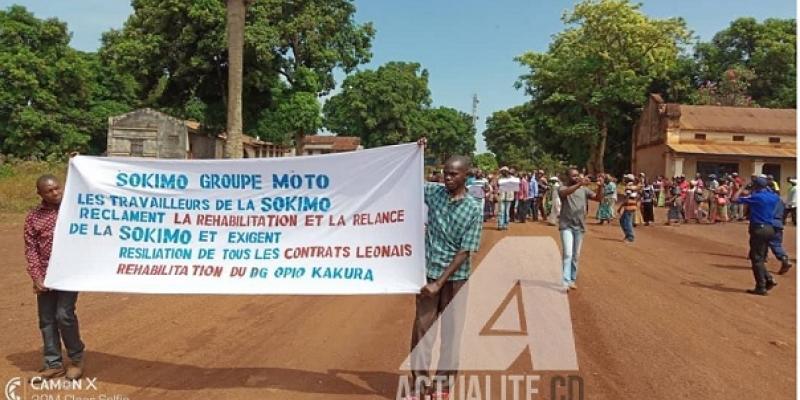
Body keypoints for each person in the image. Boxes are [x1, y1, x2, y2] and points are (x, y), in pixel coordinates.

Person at [411, 139, 483, 398]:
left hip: (455, 281)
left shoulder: (473, 209)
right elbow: (408, 181)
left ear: (466, 175)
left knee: (452, 335)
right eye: (445, 173)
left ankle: (442, 386)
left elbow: (465, 252)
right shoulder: (434, 194)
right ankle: (419, 386)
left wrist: (439, 283)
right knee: (422, 331)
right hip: (428, 274)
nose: (447, 178)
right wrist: (417, 151)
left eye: (453, 174)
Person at [24, 175, 86, 380]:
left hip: (70, 272)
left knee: (64, 315)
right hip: (46, 273)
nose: (55, 193)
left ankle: (76, 359)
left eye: (57, 188)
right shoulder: (34, 218)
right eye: (49, 191)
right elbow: (31, 249)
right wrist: (36, 277)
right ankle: (53, 363)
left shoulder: (75, 209)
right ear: (40, 194)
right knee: (47, 319)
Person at [733, 177, 780, 295]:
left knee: (756, 259)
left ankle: (761, 286)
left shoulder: (756, 197)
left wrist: (743, 187)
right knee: (759, 257)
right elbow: (770, 192)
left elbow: (734, 199)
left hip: (758, 228)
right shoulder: (774, 197)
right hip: (770, 229)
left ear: (755, 187)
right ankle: (768, 279)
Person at [558, 168, 602, 290]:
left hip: (579, 226)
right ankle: (565, 281)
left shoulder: (584, 190)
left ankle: (572, 279)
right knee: (568, 253)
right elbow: (564, 193)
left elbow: (598, 198)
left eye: (577, 175)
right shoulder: (562, 188)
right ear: (567, 177)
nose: (576, 177)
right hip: (566, 225)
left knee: (576, 255)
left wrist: (600, 187)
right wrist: (580, 184)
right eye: (573, 176)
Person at [769, 197, 793, 275]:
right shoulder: (780, 200)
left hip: (767, 223)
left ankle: (760, 261)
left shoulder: (765, 197)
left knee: (761, 242)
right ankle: (784, 258)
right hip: (778, 223)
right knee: (776, 244)